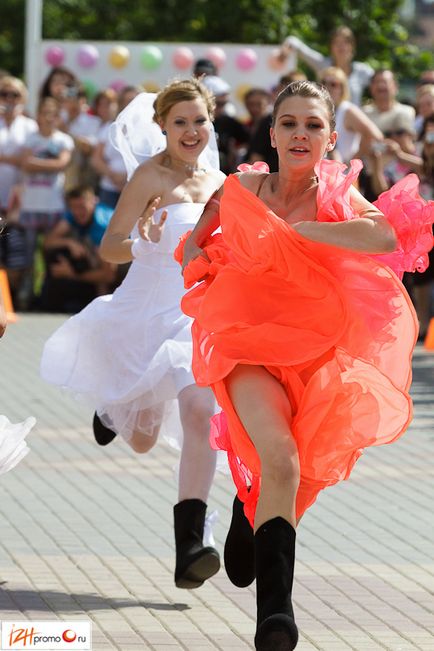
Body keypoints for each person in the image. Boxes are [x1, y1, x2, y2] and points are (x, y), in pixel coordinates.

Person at [178, 81, 434, 650]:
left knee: (297, 474)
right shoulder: (245, 185)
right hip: (243, 344)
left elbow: (383, 233)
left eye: (313, 125)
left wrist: (307, 232)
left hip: (314, 352)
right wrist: (197, 244)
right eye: (289, 123)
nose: (300, 134)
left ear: (331, 139)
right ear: (271, 134)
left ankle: (249, 516)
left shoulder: (336, 197)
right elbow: (215, 209)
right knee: (282, 458)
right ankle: (277, 615)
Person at [40, 79, 225, 590]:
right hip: (144, 311)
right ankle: (110, 405)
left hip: (195, 318)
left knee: (200, 412)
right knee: (142, 440)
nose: (191, 131)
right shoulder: (149, 176)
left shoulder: (222, 182)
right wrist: (140, 244)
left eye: (199, 121)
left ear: (211, 124)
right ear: (163, 126)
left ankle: (191, 540)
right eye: (180, 122)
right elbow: (109, 248)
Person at [18, 97, 74, 309]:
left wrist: (37, 163)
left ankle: (50, 295)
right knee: (29, 253)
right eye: (45, 113)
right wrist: (47, 164)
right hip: (31, 205)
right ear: (39, 116)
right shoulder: (30, 139)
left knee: (51, 252)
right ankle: (28, 294)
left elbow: (62, 163)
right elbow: (25, 164)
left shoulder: (63, 140)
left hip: (53, 206)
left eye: (53, 114)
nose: (49, 118)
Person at [40, 185, 117, 313]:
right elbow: (48, 242)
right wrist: (69, 242)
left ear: (93, 201)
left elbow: (108, 276)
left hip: (126, 265)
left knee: (98, 260)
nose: (78, 212)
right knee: (55, 252)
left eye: (82, 207)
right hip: (102, 261)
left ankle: (103, 308)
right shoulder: (74, 215)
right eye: (74, 207)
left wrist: (72, 275)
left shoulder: (101, 225)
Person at [0, 76, 37, 302]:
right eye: (4, 94)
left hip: (20, 201)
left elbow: (28, 161)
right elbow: (22, 159)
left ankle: (22, 295)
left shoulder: (30, 127)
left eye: (15, 94)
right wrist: (15, 159)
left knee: (20, 252)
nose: (9, 99)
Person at [279, 26, 373, 106]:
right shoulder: (323, 65)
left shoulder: (362, 71)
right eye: (337, 42)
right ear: (331, 47)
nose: (341, 46)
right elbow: (294, 42)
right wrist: (283, 50)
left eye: (346, 42)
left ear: (352, 46)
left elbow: (384, 84)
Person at [318, 67, 383, 164]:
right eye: (324, 83)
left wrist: (352, 161)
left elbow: (375, 136)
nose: (328, 87)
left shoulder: (347, 110)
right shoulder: (318, 110)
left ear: (342, 89)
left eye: (333, 84)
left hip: (342, 175)